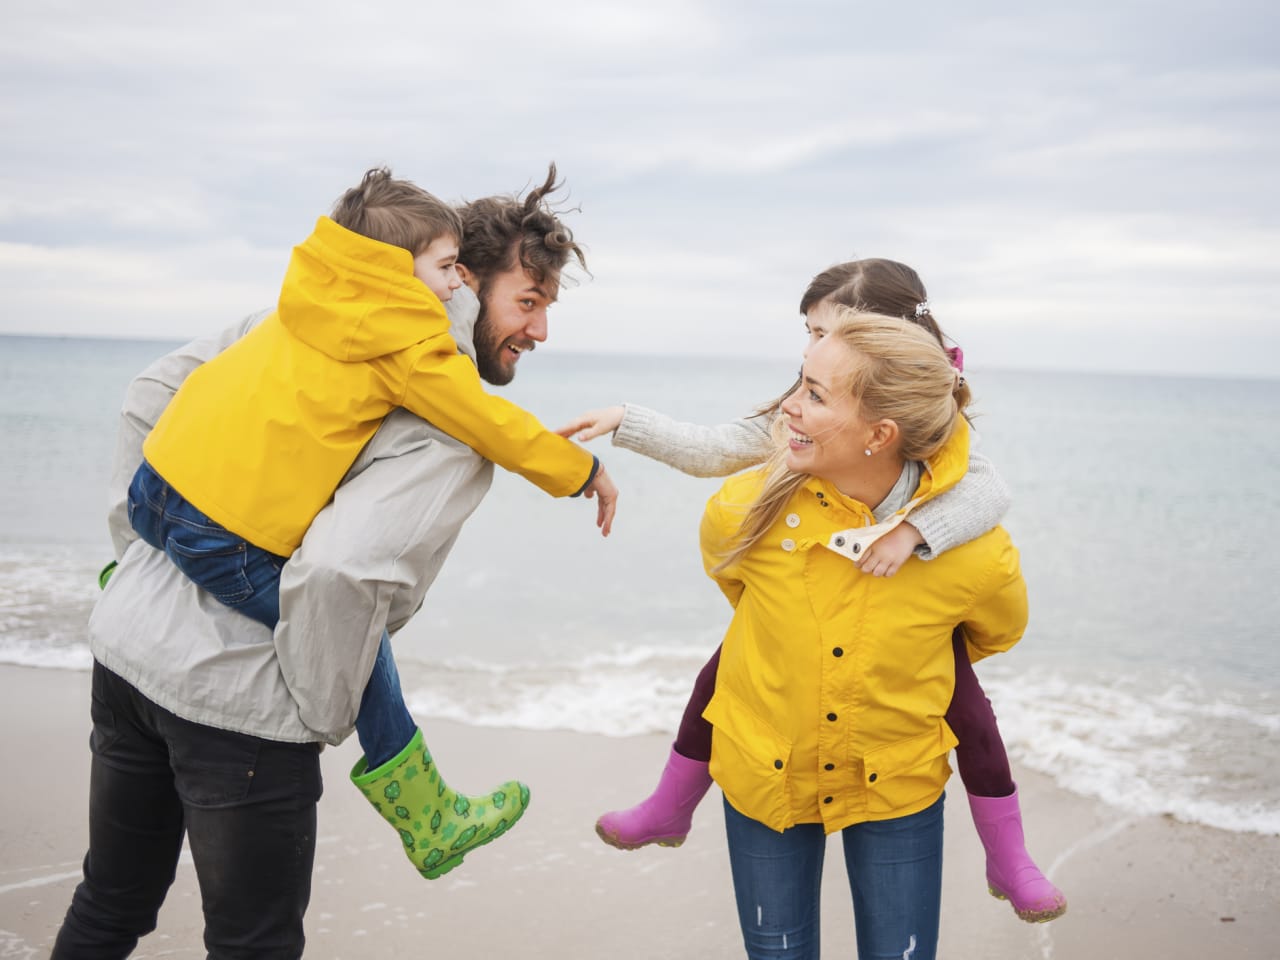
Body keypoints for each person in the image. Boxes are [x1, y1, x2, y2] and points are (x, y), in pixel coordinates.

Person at [52, 166, 599, 959]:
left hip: (125, 651)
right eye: (528, 302)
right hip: (238, 708)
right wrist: (311, 713)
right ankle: (420, 803)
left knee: (110, 904)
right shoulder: (445, 422)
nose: (541, 332)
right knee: (254, 944)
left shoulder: (296, 316)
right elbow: (340, 576)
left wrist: (137, 563)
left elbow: (147, 397)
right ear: (461, 286)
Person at [564, 259, 1065, 923]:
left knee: (968, 713)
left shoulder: (930, 414)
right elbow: (725, 449)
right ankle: (673, 802)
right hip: (808, 589)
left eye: (827, 329)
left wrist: (915, 532)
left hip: (913, 602)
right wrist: (630, 422)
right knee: (725, 678)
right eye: (809, 332)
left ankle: (1009, 855)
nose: (811, 348)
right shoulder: (805, 407)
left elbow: (988, 491)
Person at [702, 309, 1029, 959]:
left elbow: (994, 632)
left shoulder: (978, 554)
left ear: (880, 433)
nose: (788, 408)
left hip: (897, 784)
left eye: (815, 395)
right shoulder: (739, 511)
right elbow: (737, 592)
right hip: (765, 773)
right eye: (799, 382)